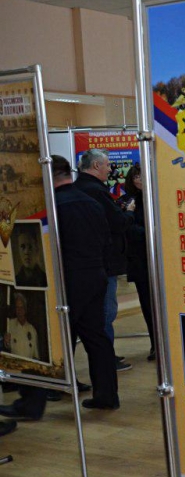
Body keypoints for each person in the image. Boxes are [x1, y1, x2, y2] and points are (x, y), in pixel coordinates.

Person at [0, 156, 119, 417]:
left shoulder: (51, 207)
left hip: (66, 279)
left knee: (48, 338)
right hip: (95, 275)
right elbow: (107, 238)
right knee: (96, 337)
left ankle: (31, 405)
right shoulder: (91, 201)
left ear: (47, 175)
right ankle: (107, 395)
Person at [75, 149, 134, 373]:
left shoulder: (78, 188)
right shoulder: (97, 191)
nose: (110, 169)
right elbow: (117, 223)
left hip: (86, 263)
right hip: (104, 263)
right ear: (96, 166)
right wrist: (129, 212)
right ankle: (106, 358)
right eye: (108, 165)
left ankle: (104, 357)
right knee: (106, 313)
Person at [123, 165, 155, 361]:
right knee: (147, 305)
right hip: (140, 260)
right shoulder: (128, 201)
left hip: (160, 261)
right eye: (136, 176)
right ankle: (154, 344)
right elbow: (128, 229)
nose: (140, 179)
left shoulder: (158, 196)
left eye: (143, 175)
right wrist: (150, 232)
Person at [3, 292, 39, 360]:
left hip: (28, 365)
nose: (19, 310)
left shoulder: (32, 330)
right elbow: (7, 346)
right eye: (17, 307)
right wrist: (6, 342)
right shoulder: (10, 324)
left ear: (25, 309)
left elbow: (36, 356)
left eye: (21, 307)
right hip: (14, 364)